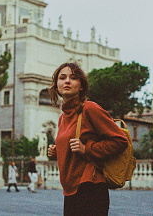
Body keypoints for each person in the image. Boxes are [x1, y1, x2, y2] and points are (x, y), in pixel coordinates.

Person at [47, 62, 129, 216]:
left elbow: (120, 140)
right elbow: (73, 149)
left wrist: (87, 149)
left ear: (82, 86)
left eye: (73, 78)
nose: (67, 81)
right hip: (71, 189)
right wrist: (57, 152)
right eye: (62, 78)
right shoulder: (63, 118)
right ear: (56, 85)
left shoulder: (90, 108)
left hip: (91, 186)